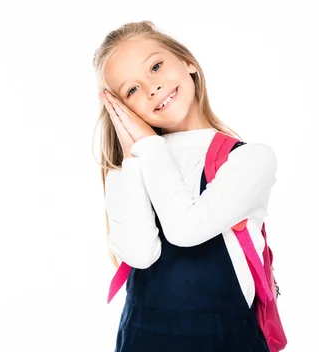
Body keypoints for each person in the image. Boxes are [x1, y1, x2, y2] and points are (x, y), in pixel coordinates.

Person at [94, 21, 275, 351]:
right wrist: (133, 159)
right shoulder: (127, 169)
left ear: (188, 62)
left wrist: (149, 147)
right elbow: (138, 254)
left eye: (156, 66)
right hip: (141, 339)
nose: (152, 88)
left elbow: (186, 229)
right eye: (131, 90)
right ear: (120, 109)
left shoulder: (249, 159)